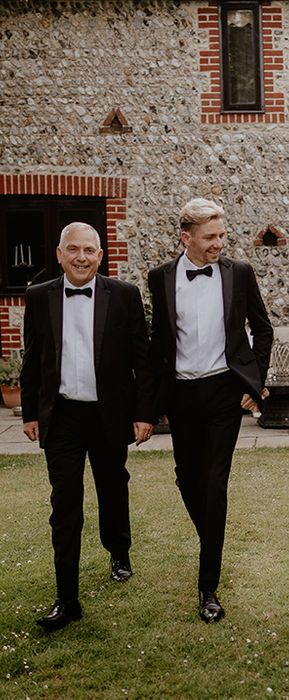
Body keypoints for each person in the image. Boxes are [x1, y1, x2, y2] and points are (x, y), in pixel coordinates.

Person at [20, 222, 155, 630]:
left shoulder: (125, 296)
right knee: (65, 502)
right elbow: (32, 358)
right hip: (62, 416)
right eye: (73, 250)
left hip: (108, 413)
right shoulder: (39, 296)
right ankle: (67, 600)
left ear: (101, 255)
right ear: (59, 255)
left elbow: (142, 360)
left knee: (112, 486)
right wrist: (30, 413)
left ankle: (119, 549)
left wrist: (144, 412)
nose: (81, 257)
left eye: (89, 250)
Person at [148, 198, 273, 622]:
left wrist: (254, 383)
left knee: (215, 482)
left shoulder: (239, 273)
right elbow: (158, 342)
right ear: (186, 238)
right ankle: (212, 541)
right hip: (182, 395)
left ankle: (208, 587)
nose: (219, 243)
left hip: (225, 392)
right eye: (210, 237)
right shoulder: (159, 278)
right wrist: (153, 402)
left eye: (222, 235)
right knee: (187, 479)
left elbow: (263, 327)